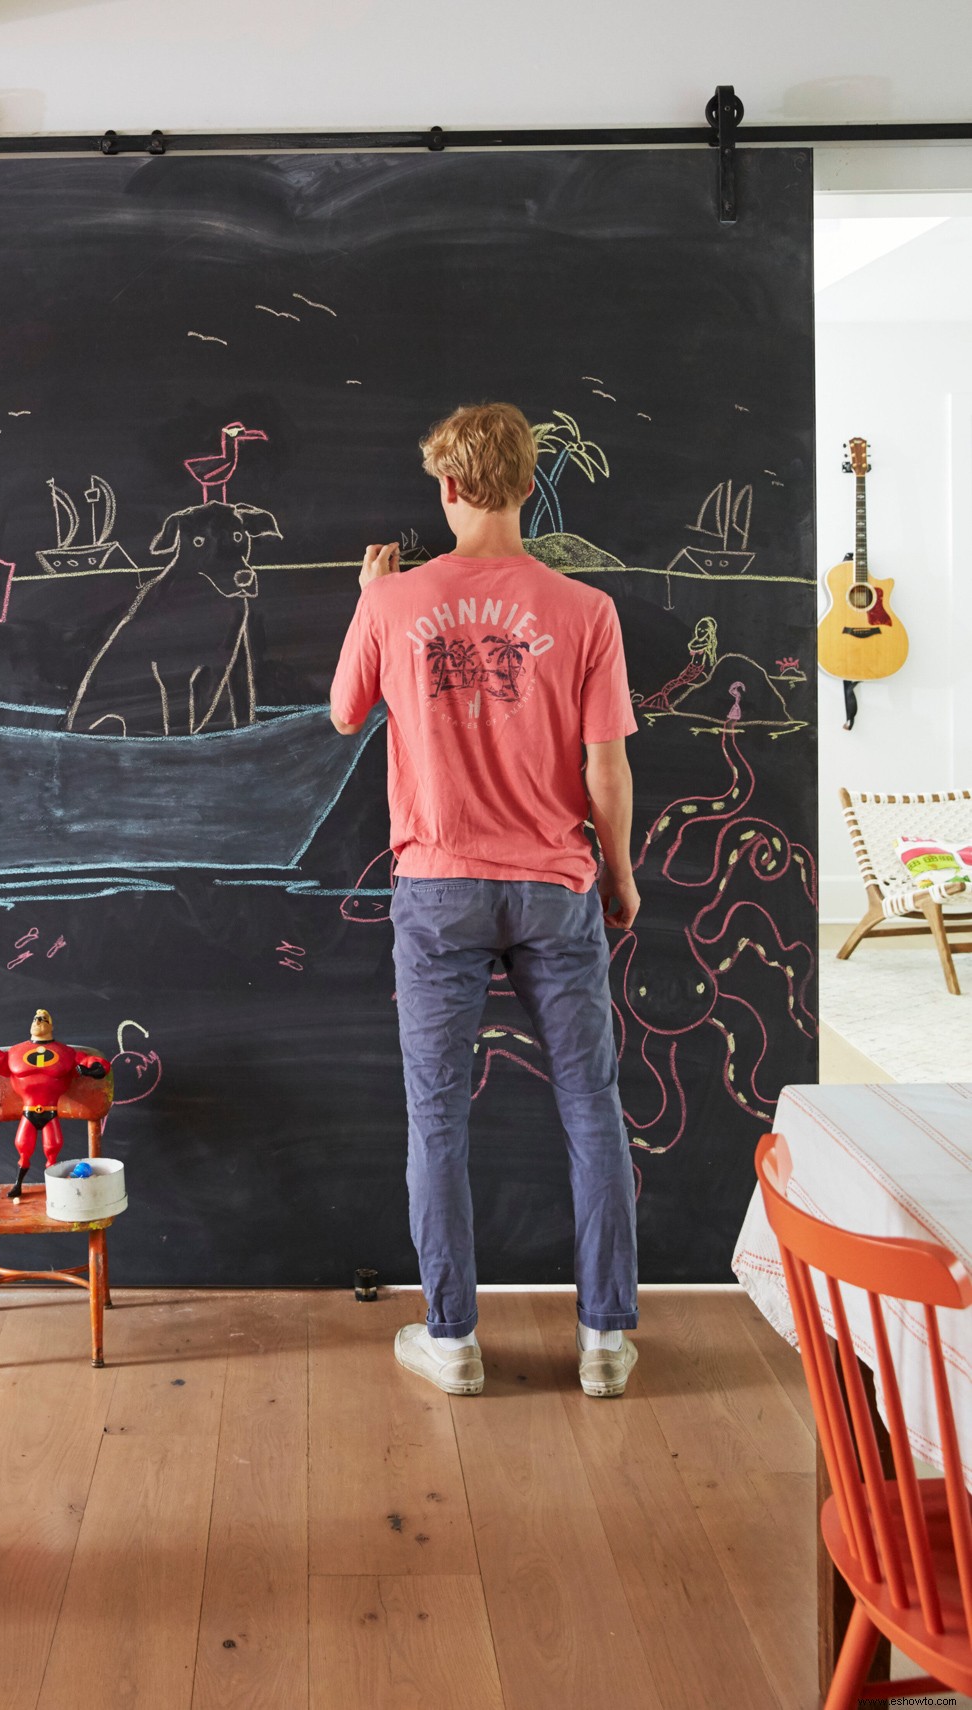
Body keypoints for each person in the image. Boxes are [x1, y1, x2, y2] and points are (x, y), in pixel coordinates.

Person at [329, 402, 641, 1399]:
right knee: (591, 1107)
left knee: (437, 1118)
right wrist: (621, 877)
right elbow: (605, 771)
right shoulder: (585, 610)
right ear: (523, 483)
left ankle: (452, 1339)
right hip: (554, 887)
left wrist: (370, 595)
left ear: (450, 487)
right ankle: (603, 1341)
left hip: (437, 888)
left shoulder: (393, 603)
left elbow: (343, 714)